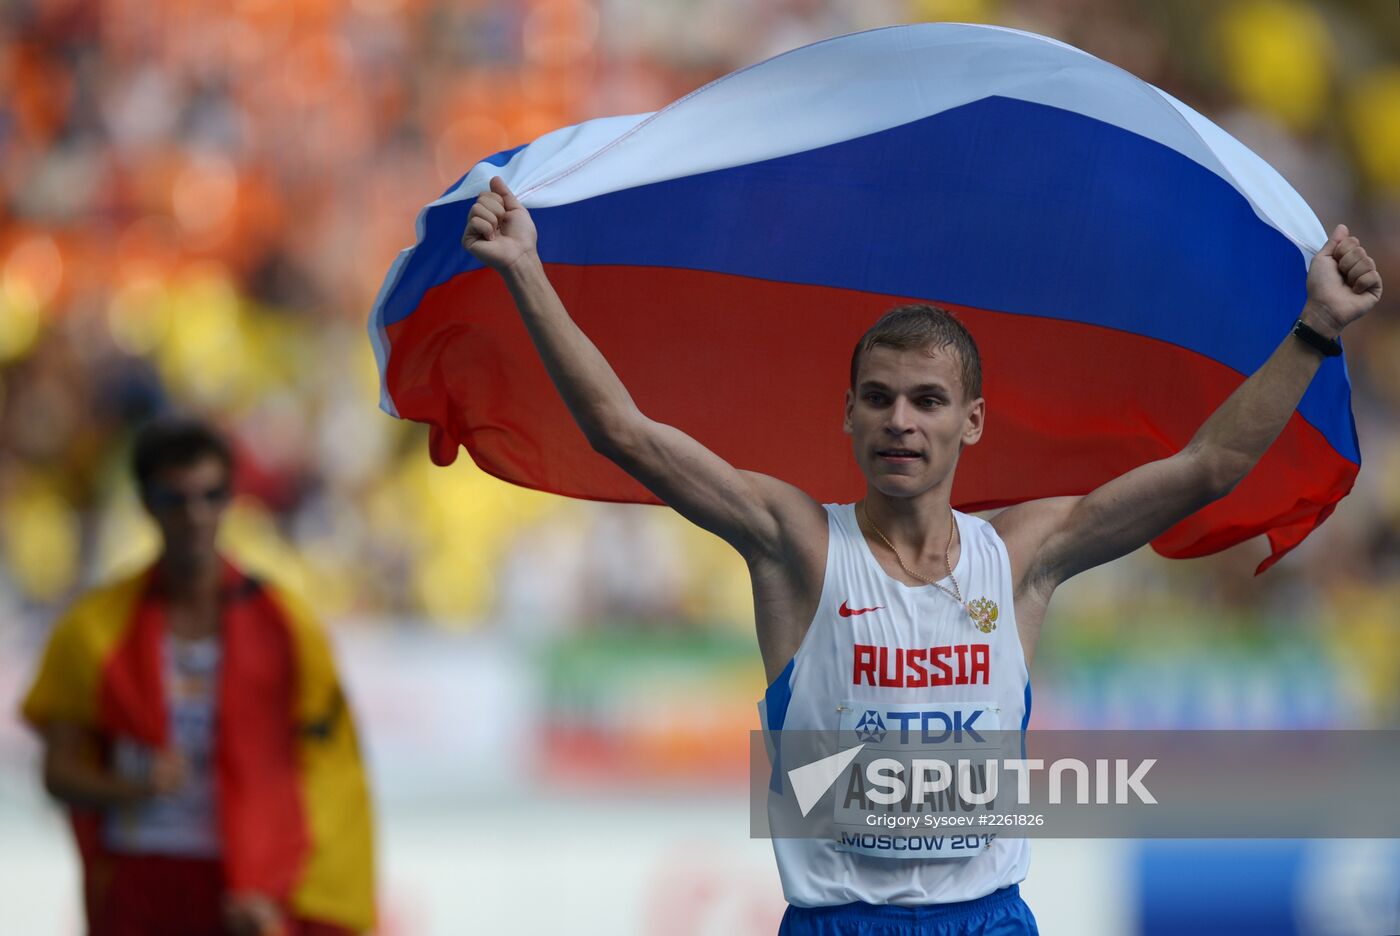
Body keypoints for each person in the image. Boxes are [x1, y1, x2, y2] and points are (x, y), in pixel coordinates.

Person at [462, 176, 1381, 934]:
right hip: (839, 918)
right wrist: (524, 269)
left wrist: (1315, 330)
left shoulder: (1025, 554)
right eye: (880, 397)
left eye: (929, 400)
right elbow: (622, 431)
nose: (901, 419)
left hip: (988, 917)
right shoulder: (796, 546)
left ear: (970, 422)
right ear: (850, 415)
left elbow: (1208, 465)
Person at [20, 417, 376, 936]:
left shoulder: (285, 625)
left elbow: (329, 778)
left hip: (246, 888)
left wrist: (284, 893)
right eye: (175, 499)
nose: (195, 515)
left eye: (211, 495)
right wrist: (130, 786)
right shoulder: (93, 630)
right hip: (143, 877)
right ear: (146, 503)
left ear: (231, 499)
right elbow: (58, 772)